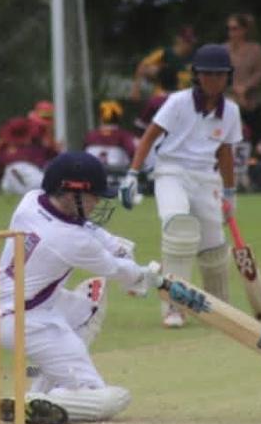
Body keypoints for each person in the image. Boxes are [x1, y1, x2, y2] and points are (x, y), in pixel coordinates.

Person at [0, 151, 163, 424]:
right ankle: (34, 403)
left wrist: (115, 245)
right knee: (107, 399)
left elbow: (88, 229)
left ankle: (43, 388)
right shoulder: (69, 240)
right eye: (94, 196)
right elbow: (117, 270)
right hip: (26, 322)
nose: (99, 202)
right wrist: (149, 277)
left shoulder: (31, 201)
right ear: (70, 193)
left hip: (6, 306)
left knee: (88, 306)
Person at [120, 44, 242, 328]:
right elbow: (149, 137)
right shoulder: (177, 101)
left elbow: (225, 152)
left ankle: (218, 307)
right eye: (207, 74)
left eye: (219, 74)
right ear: (196, 75)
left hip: (205, 177)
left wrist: (230, 193)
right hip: (170, 171)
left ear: (228, 77)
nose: (213, 80)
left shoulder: (231, 111)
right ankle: (173, 307)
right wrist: (132, 174)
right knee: (178, 228)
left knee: (213, 246)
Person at [0, 115, 60, 195]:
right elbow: (56, 156)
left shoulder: (4, 152)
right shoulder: (39, 148)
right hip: (38, 183)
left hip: (29, 183)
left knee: (9, 176)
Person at [225, 13, 261, 148]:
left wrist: (246, 87)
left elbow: (259, 72)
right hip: (229, 98)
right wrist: (235, 88)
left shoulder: (255, 49)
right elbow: (220, 73)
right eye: (230, 29)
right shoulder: (223, 50)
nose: (232, 32)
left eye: (235, 28)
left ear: (243, 30)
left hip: (250, 100)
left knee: (255, 134)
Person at [129, 26, 196, 101]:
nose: (189, 45)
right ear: (178, 39)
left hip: (182, 99)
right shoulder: (165, 54)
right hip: (162, 97)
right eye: (186, 41)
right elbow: (142, 66)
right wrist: (135, 90)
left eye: (191, 42)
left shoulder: (194, 59)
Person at [84, 100, 137, 173]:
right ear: (118, 118)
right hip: (117, 176)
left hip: (93, 176)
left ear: (101, 118)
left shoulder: (91, 135)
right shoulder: (124, 136)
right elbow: (133, 152)